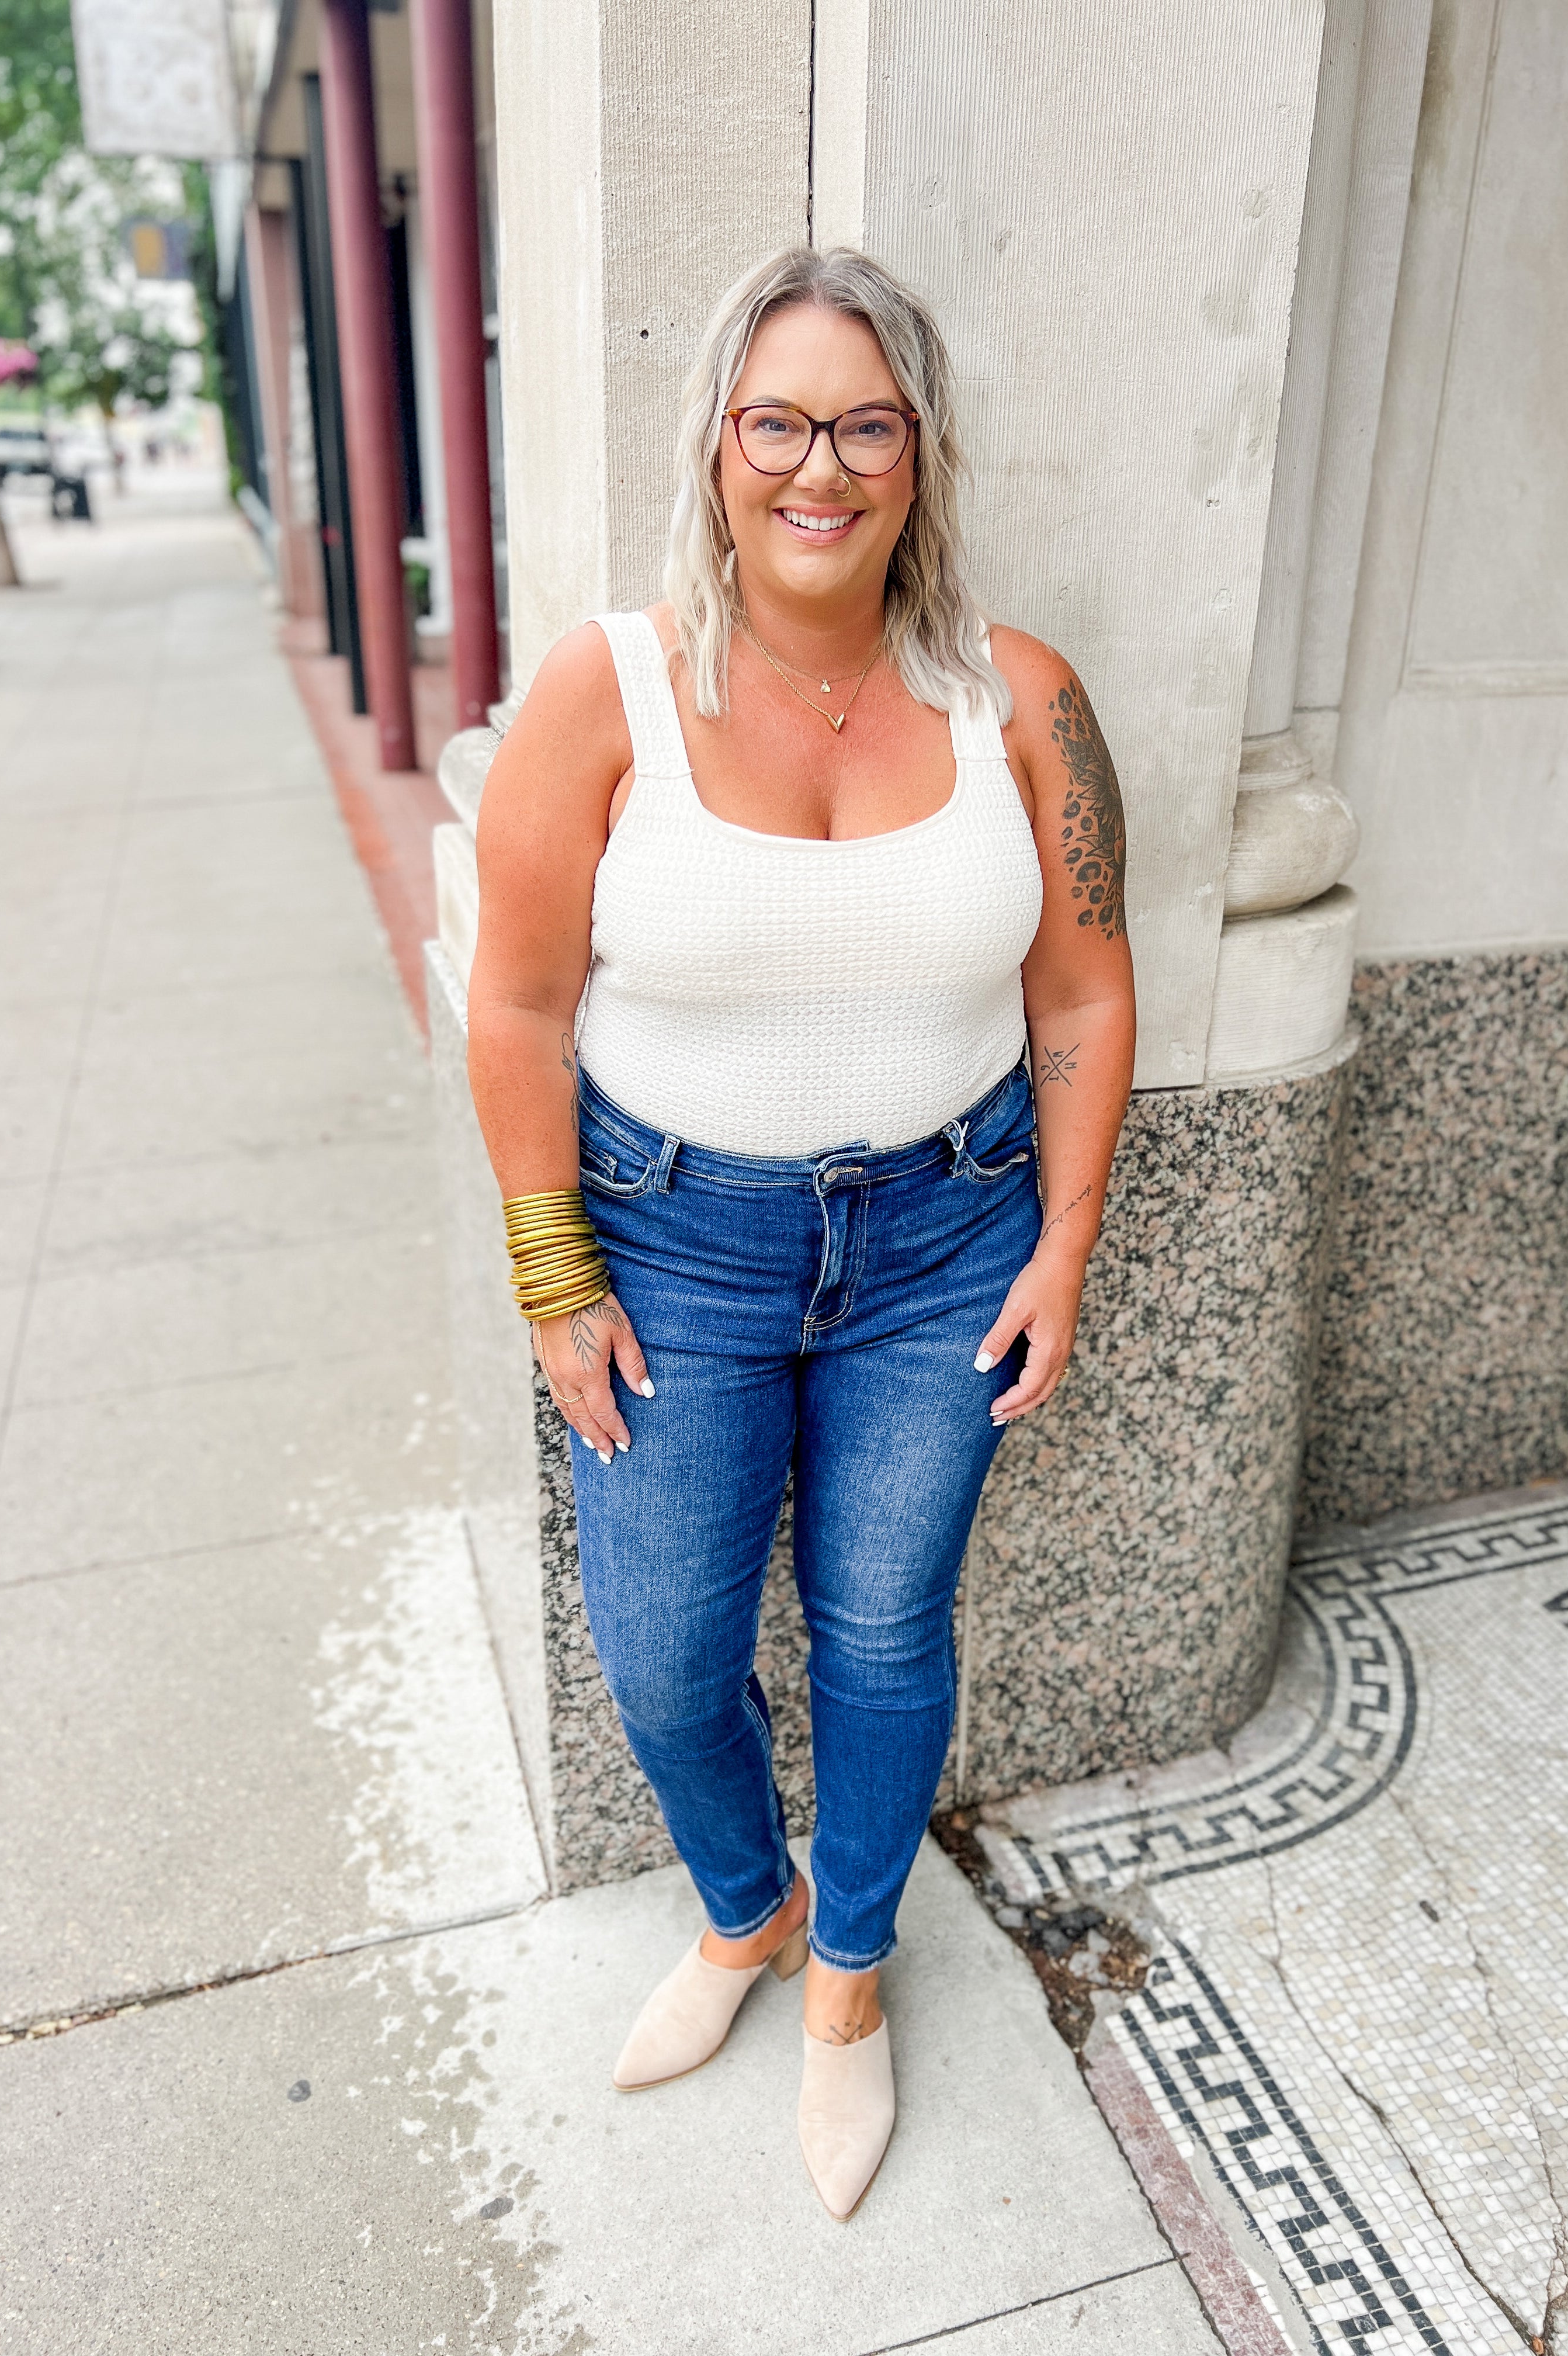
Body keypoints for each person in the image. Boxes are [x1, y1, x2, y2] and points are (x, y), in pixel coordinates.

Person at [467, 246, 1136, 2220]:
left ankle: (850, 1975)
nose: (818, 466)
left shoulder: (1026, 699)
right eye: (779, 421)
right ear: (720, 444)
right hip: (672, 1249)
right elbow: (514, 1007)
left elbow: (1087, 1000)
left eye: (865, 423)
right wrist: (550, 1275)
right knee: (668, 1658)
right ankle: (743, 1911)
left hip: (947, 1244)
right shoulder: (606, 690)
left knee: (880, 1633)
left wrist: (1067, 1245)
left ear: (918, 455)